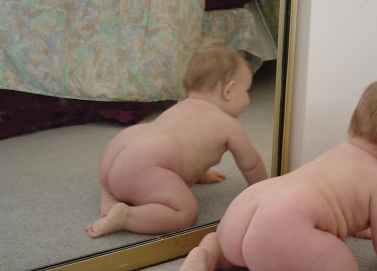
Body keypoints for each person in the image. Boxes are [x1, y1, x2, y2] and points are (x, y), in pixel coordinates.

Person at [169, 78, 377, 271]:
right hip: (279, 233)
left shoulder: (336, 153)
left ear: (353, 127)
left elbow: (337, 200)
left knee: (229, 246)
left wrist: (359, 224)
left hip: (248, 206)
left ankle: (209, 253)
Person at [86, 47, 267, 238]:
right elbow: (251, 164)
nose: (248, 97)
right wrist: (264, 190)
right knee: (185, 212)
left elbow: (189, 149)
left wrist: (200, 174)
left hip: (119, 153)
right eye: (246, 91)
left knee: (161, 144)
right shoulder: (229, 126)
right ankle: (126, 217)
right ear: (228, 91)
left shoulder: (180, 107)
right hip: (145, 166)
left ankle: (111, 194)